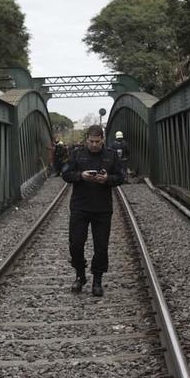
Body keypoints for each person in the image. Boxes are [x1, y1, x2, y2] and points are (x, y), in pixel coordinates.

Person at [61, 125, 126, 296]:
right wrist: (80, 176)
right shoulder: (77, 154)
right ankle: (80, 275)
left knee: (101, 247)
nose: (95, 145)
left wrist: (107, 179)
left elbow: (121, 177)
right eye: (91, 141)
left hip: (102, 208)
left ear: (102, 140)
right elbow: (65, 174)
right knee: (75, 243)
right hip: (80, 206)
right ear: (86, 140)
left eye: (98, 142)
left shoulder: (111, 155)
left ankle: (97, 280)